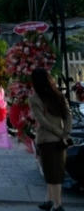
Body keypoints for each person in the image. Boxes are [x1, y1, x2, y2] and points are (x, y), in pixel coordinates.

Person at [29, 68, 72, 211]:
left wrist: (59, 133)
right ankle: (49, 200)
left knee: (53, 174)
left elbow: (42, 121)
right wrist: (65, 133)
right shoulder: (58, 95)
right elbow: (68, 115)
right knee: (54, 170)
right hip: (60, 140)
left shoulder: (35, 99)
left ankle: (58, 204)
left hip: (47, 140)